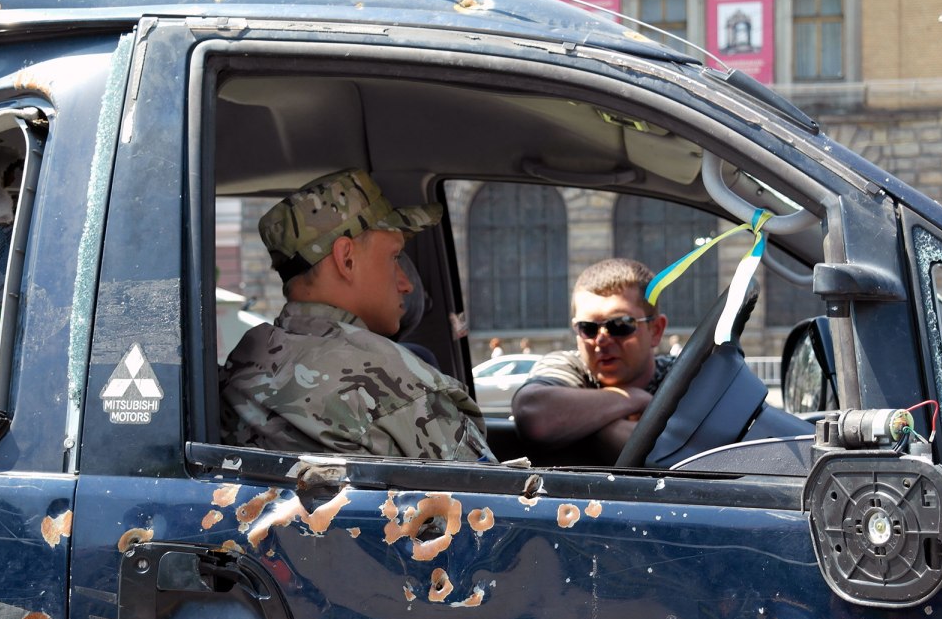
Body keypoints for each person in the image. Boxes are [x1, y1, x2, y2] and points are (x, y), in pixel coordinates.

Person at [220, 168, 493, 461]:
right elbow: (495, 502)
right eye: (395, 257)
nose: (407, 283)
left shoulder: (244, 365)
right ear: (346, 259)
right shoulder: (404, 389)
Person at [512, 258, 669, 464]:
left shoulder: (686, 377)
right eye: (588, 327)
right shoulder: (568, 366)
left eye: (620, 324)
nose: (601, 340)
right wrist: (634, 399)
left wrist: (592, 421)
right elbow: (533, 415)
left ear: (655, 330)